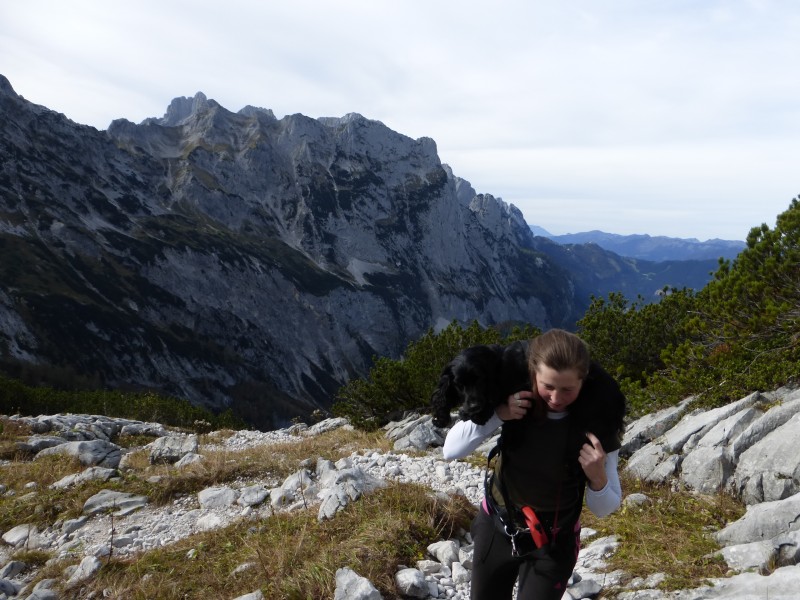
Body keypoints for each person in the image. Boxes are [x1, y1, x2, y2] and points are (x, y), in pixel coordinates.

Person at [442, 328, 626, 600]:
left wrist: (598, 478)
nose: (555, 397)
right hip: (498, 526)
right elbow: (451, 449)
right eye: (547, 386)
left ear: (583, 381)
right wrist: (499, 414)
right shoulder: (514, 399)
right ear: (533, 375)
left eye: (567, 389)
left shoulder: (596, 420)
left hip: (553, 543)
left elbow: (605, 508)